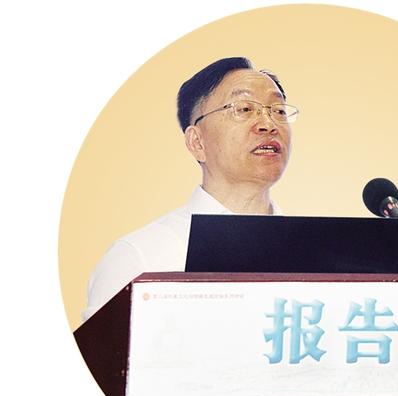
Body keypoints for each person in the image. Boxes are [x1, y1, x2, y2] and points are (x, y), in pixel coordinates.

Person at [82, 57, 299, 321]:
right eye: (244, 109)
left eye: (279, 111)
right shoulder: (137, 258)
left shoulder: (312, 255)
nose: (268, 124)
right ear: (197, 142)